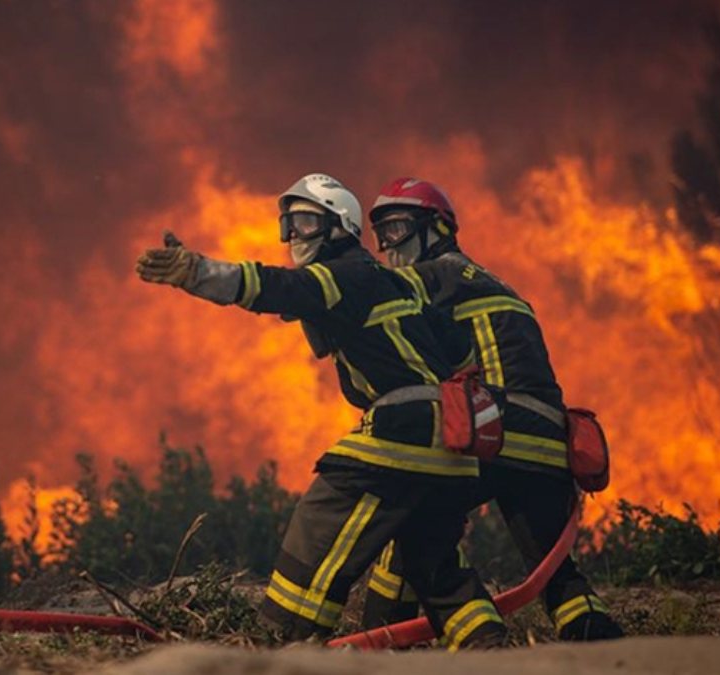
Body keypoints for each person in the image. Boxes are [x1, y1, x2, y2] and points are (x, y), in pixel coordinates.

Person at [135, 173, 507, 648]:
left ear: (340, 227)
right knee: (430, 559)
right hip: (453, 443)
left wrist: (196, 272)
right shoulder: (394, 282)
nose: (293, 236)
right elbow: (458, 352)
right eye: (288, 224)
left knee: (319, 518)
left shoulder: (342, 272)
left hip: (405, 428)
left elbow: (276, 288)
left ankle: (284, 641)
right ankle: (488, 647)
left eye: (307, 222)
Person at [363, 177, 624, 641]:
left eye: (398, 229)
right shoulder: (491, 282)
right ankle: (594, 635)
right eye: (380, 235)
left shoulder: (435, 275)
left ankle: (468, 634)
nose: (388, 246)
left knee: (415, 522)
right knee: (553, 565)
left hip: (496, 432)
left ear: (437, 229)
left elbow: (367, 291)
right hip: (547, 441)